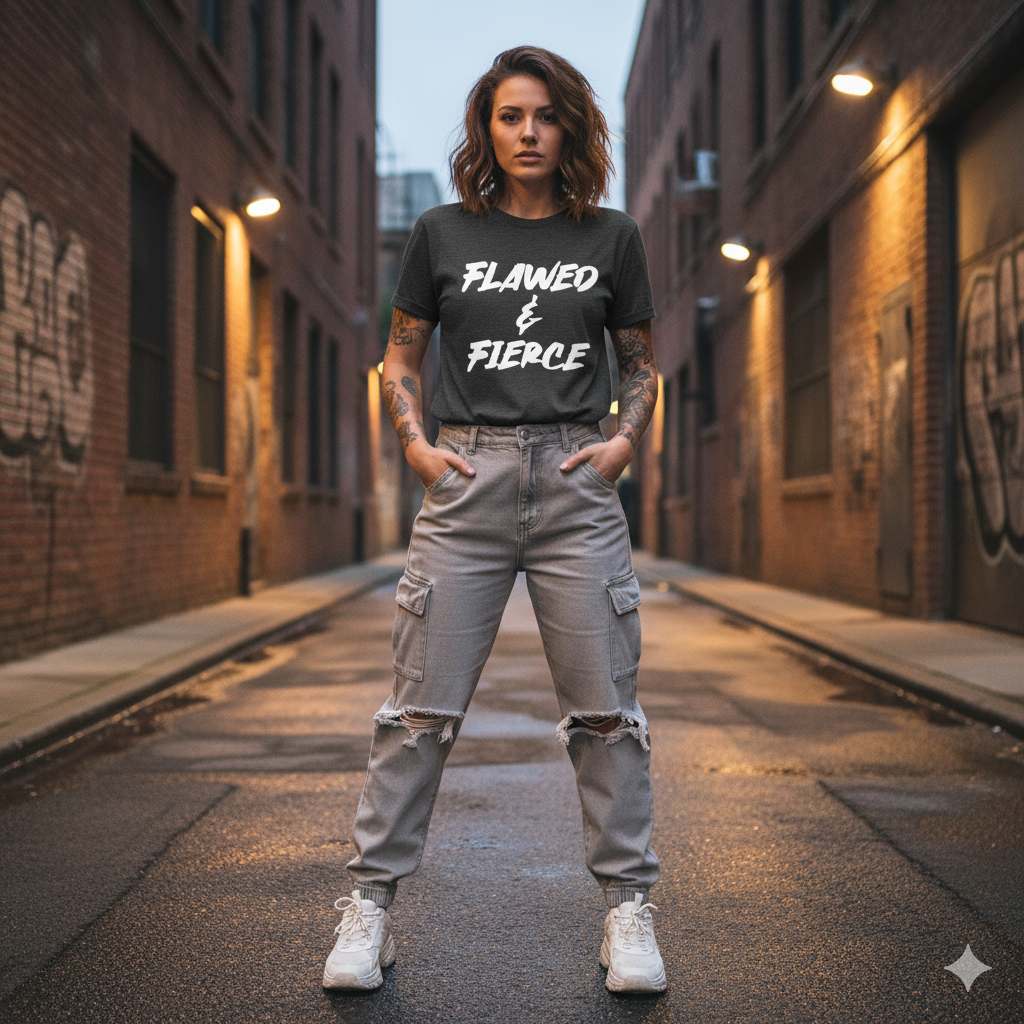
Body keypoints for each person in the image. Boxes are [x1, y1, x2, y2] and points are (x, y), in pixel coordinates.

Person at [322, 45, 665, 995]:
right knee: (418, 714)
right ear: (487, 128)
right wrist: (415, 445)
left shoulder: (612, 236)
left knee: (606, 714)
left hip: (575, 482)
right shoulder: (439, 233)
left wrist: (623, 444)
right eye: (510, 116)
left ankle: (628, 913)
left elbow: (640, 365)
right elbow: (400, 360)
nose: (527, 132)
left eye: (545, 116)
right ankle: (370, 911)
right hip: (466, 481)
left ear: (571, 130)